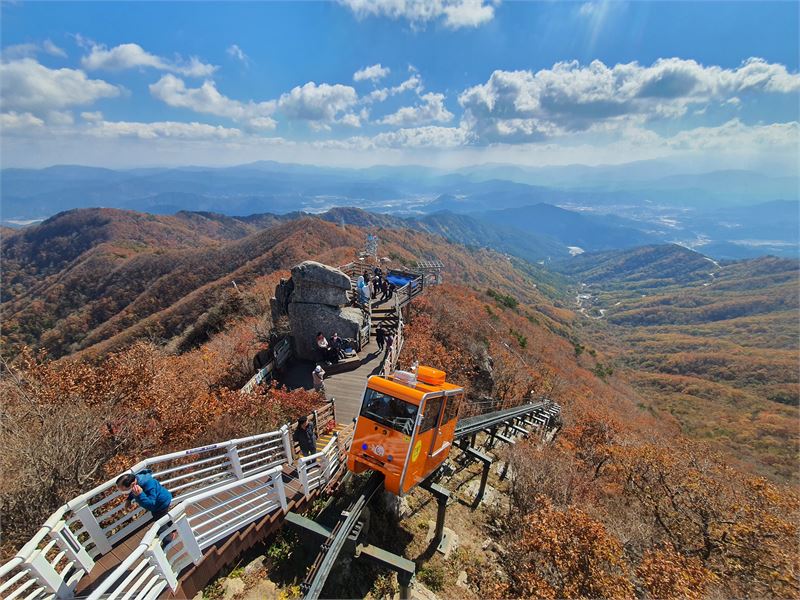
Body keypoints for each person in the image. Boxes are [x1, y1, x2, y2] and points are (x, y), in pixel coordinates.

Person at [116, 471, 176, 546]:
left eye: (124, 490)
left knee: (160, 523)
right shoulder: (136, 480)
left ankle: (168, 540)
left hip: (161, 503)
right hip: (160, 501)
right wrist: (129, 499)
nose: (124, 492)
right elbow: (131, 491)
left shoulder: (149, 484)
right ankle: (174, 529)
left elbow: (151, 505)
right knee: (164, 517)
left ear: (133, 484)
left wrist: (140, 495)